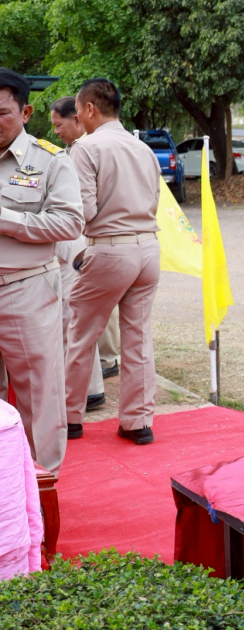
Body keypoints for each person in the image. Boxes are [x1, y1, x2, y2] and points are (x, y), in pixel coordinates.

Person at [63, 78, 160, 445]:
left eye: (78, 110)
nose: (77, 118)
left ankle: (71, 417)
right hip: (148, 247)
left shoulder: (86, 148)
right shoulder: (143, 148)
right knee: (138, 338)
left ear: (90, 109)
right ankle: (138, 422)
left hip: (110, 247)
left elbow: (82, 212)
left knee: (80, 334)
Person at [0, 70, 83, 473]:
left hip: (26, 290)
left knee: (38, 394)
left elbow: (69, 224)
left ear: (25, 111)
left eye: (1, 113)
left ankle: (41, 484)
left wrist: (5, 218)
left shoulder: (50, 161)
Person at [48, 97, 104, 412]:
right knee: (75, 317)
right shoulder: (72, 151)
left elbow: (87, 205)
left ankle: (88, 390)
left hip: (78, 239)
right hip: (72, 237)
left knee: (74, 315)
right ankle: (88, 387)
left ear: (78, 119)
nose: (57, 131)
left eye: (60, 125)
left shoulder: (85, 150)